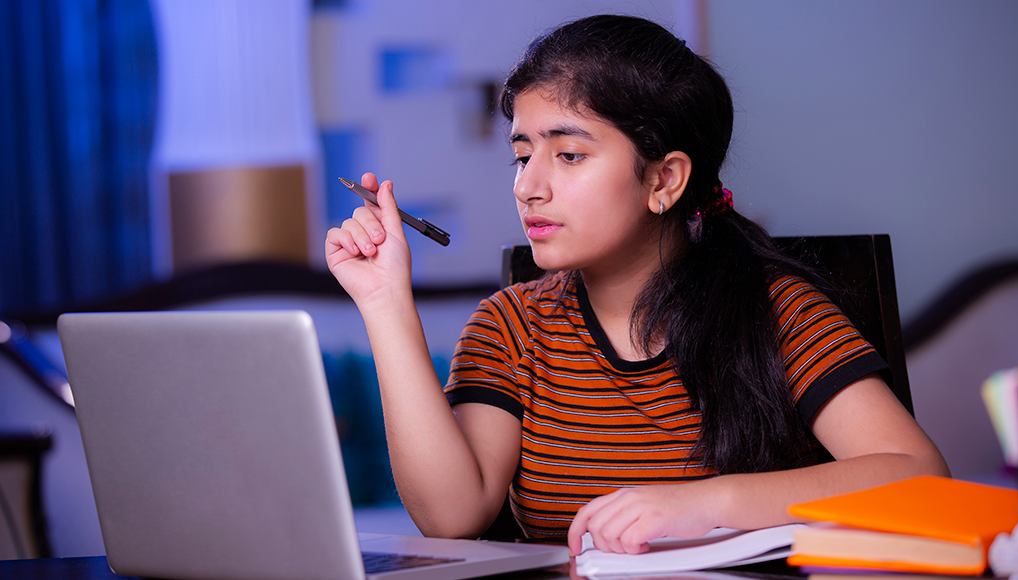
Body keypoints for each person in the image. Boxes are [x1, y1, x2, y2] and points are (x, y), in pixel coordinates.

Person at [325, 14, 949, 556]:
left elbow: (918, 475)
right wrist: (384, 303)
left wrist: (709, 503)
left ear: (665, 180)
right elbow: (450, 516)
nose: (527, 186)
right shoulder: (510, 327)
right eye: (522, 156)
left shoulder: (774, 310)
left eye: (568, 155)